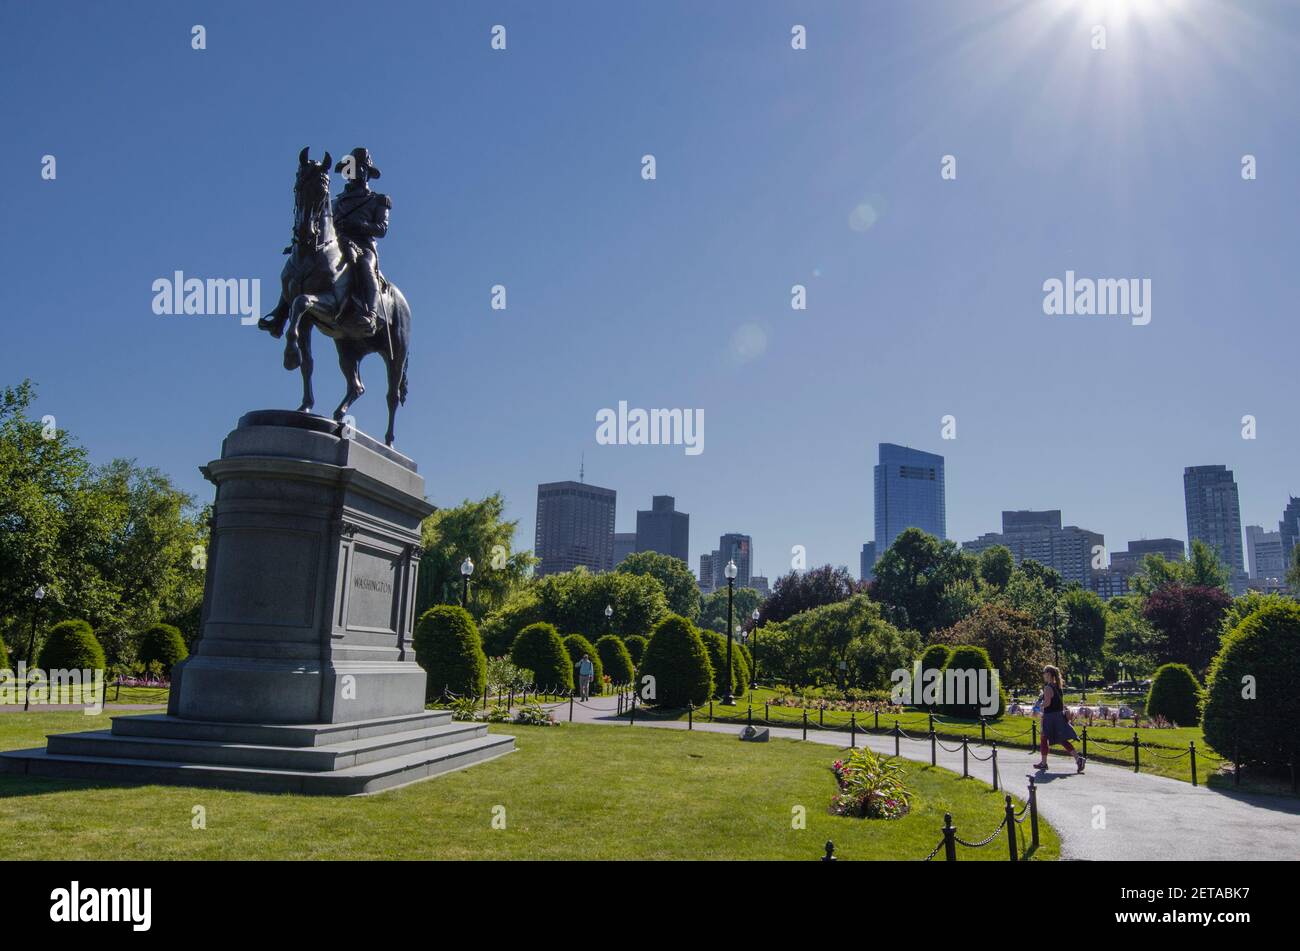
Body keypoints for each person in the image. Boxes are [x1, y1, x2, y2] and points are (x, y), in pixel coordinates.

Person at [332, 147, 391, 336]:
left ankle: (371, 314)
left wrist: (359, 224)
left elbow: (381, 229)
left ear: (367, 172)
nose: (355, 172)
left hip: (364, 246)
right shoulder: (336, 202)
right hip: (338, 243)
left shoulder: (378, 200)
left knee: (365, 265)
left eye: (360, 168)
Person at [1034, 664, 1085, 773]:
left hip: (1050, 717)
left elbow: (1047, 703)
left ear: (1048, 674)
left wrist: (1039, 705)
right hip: (1058, 716)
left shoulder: (1048, 687)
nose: (1043, 675)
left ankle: (1044, 763)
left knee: (1044, 738)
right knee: (1062, 739)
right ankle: (1078, 759)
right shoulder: (1058, 687)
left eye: (1044, 673)